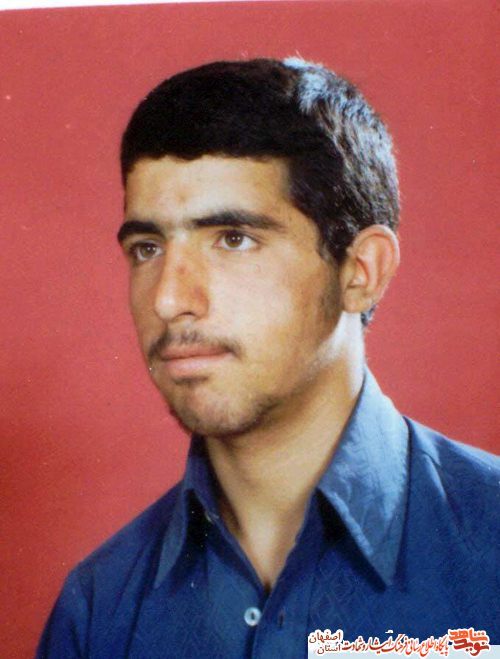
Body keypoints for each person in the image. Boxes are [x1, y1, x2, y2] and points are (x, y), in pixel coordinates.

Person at [36, 58, 500, 659]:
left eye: (234, 239)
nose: (169, 299)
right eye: (147, 248)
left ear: (361, 272)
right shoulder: (99, 609)